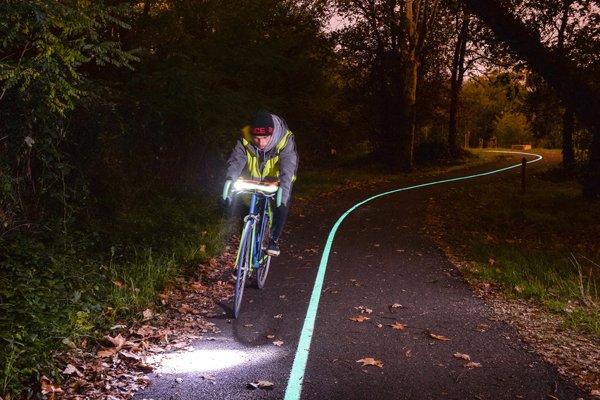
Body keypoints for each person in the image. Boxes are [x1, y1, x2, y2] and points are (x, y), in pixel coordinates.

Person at [224, 110, 298, 256]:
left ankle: (273, 240)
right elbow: (236, 161)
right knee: (246, 215)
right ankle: (245, 257)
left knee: (281, 205)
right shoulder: (245, 138)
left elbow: (287, 170)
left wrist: (282, 197)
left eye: (265, 138)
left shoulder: (285, 140)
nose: (261, 143)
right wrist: (229, 182)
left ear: (272, 134)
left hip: (276, 181)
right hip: (253, 180)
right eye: (257, 138)